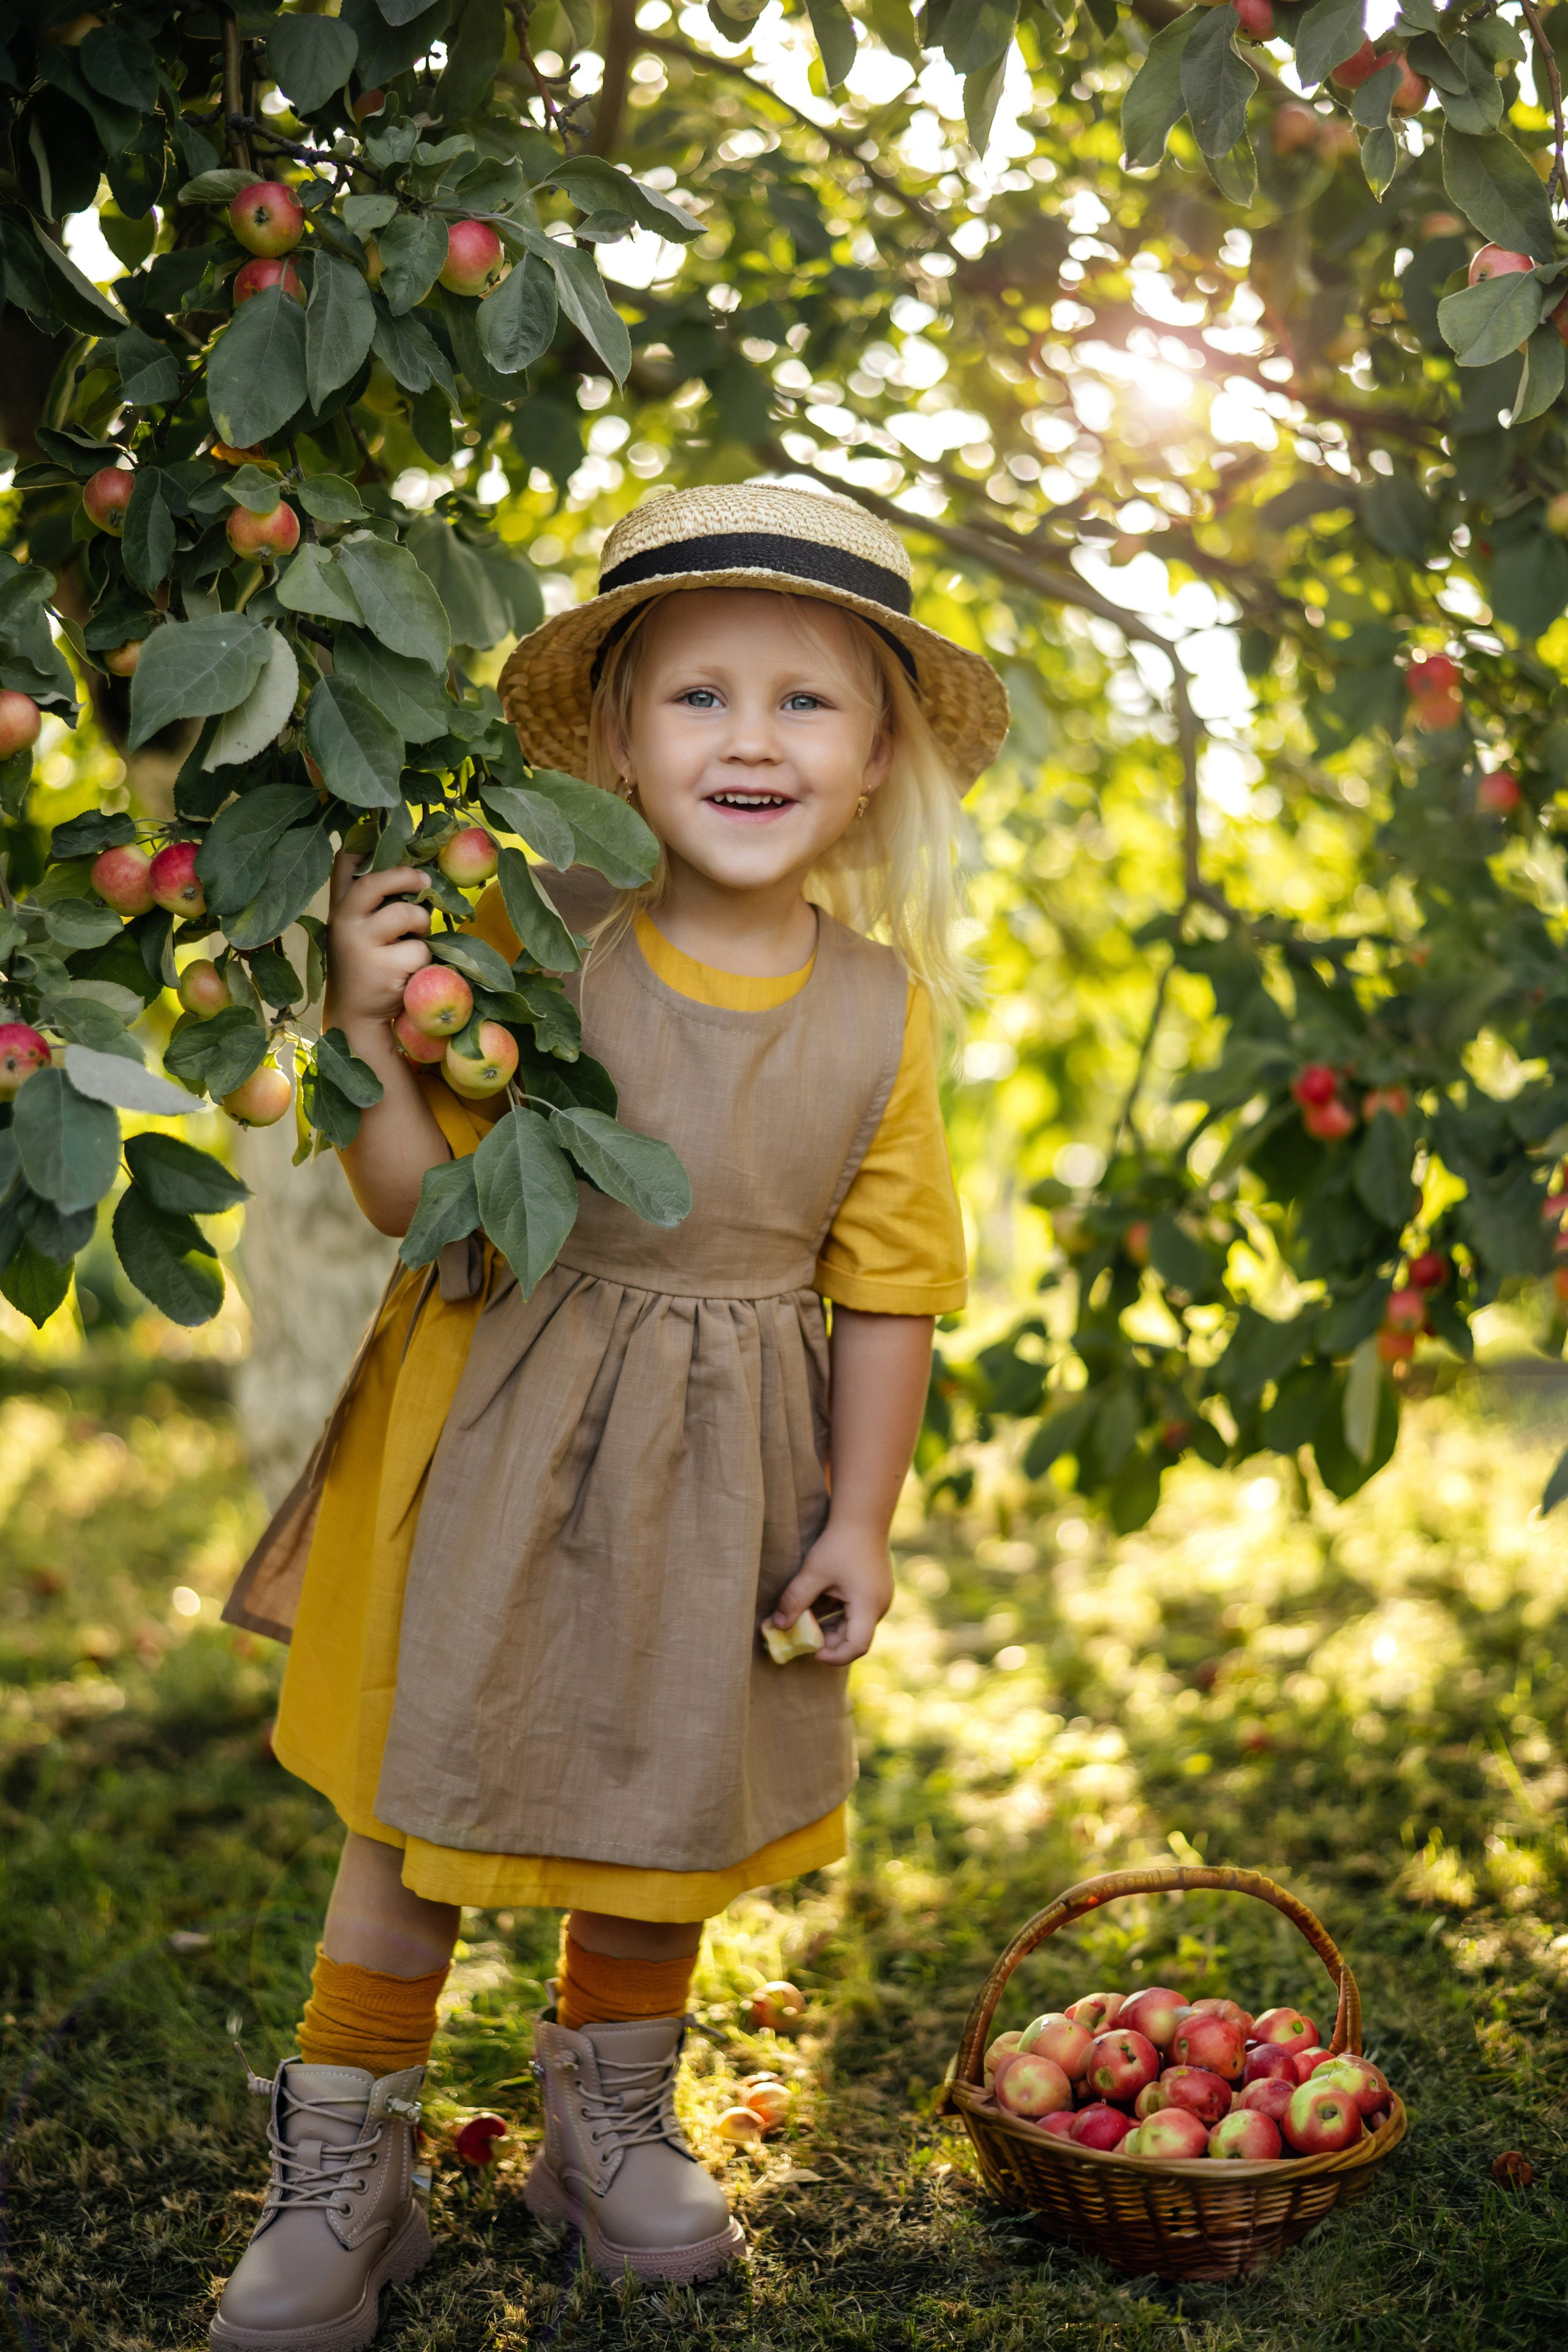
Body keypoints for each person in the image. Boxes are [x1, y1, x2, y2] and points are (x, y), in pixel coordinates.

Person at [209, 483, 1007, 2350]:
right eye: (698, 699)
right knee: (422, 1805)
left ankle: (609, 2127)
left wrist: (860, 1520)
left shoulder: (881, 1014)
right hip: (490, 1433)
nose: (751, 739)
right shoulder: (543, 944)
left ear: (879, 759)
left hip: (730, 1471)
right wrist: (355, 1017)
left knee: (669, 1790)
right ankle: (347, 2176)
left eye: (805, 702)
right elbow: (416, 1200)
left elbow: (890, 1289)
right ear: (622, 748)